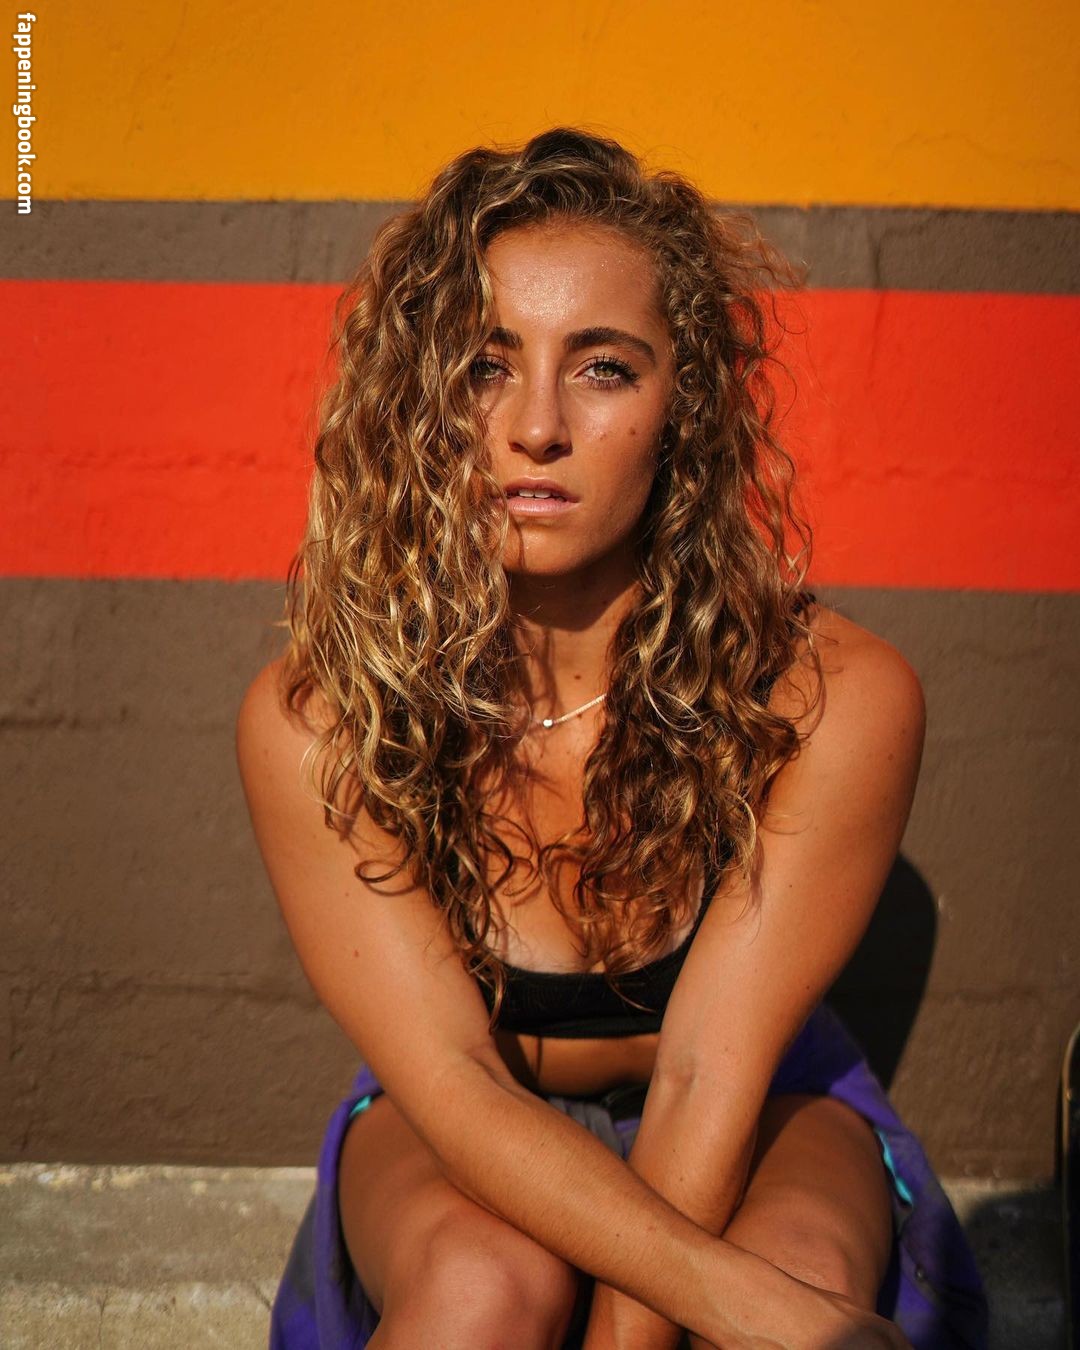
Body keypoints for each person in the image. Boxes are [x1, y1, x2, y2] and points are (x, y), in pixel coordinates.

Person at [237, 127, 988, 1349]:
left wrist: (715, 1313)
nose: (536, 426)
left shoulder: (829, 696)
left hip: (764, 1108)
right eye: (486, 364)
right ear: (424, 399)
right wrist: (747, 1307)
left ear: (682, 403)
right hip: (470, 1117)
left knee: (799, 1265)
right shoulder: (325, 718)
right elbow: (459, 1083)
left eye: (602, 368)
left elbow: (705, 1077)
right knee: (484, 1290)